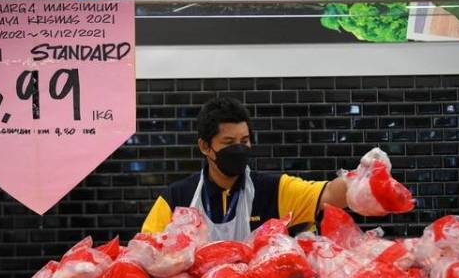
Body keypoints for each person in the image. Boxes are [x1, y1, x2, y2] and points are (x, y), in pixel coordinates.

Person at [141, 97, 348, 241]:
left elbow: (329, 193)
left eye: (245, 140)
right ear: (205, 147)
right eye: (229, 142)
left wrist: (367, 182)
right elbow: (146, 250)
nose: (239, 149)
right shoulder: (177, 198)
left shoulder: (274, 190)